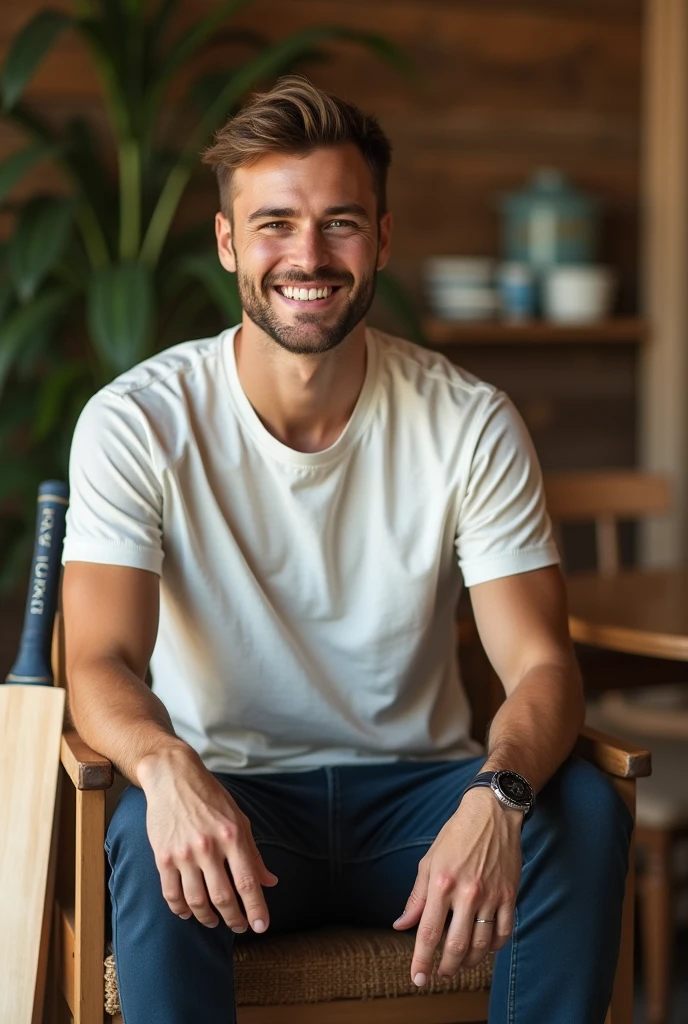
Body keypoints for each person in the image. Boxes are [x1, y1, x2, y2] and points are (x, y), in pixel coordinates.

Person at [61, 76, 632, 1024]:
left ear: (383, 238)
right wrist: (166, 768)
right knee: (141, 828)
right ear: (228, 242)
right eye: (276, 223)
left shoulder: (468, 421)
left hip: (419, 804)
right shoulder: (138, 422)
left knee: (578, 812)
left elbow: (541, 663)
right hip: (231, 800)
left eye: (340, 223)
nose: (309, 255)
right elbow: (99, 662)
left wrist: (497, 797)